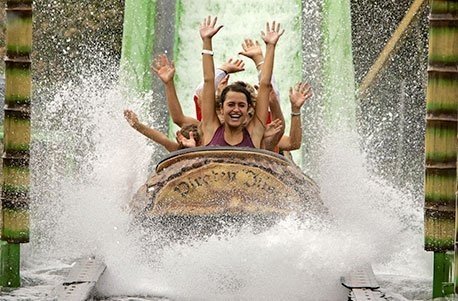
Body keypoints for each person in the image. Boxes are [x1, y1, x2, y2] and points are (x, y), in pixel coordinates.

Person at [199, 16, 284, 148]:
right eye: (231, 104)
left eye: (241, 105)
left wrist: (271, 47)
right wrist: (206, 41)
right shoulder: (211, 128)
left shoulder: (255, 132)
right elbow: (208, 80)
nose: (236, 110)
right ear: (221, 108)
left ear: (249, 108)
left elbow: (265, 85)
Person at [124, 109, 200, 152]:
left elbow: (163, 140)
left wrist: (137, 125)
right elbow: (162, 139)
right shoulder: (179, 150)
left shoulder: (207, 146)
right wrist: (137, 125)